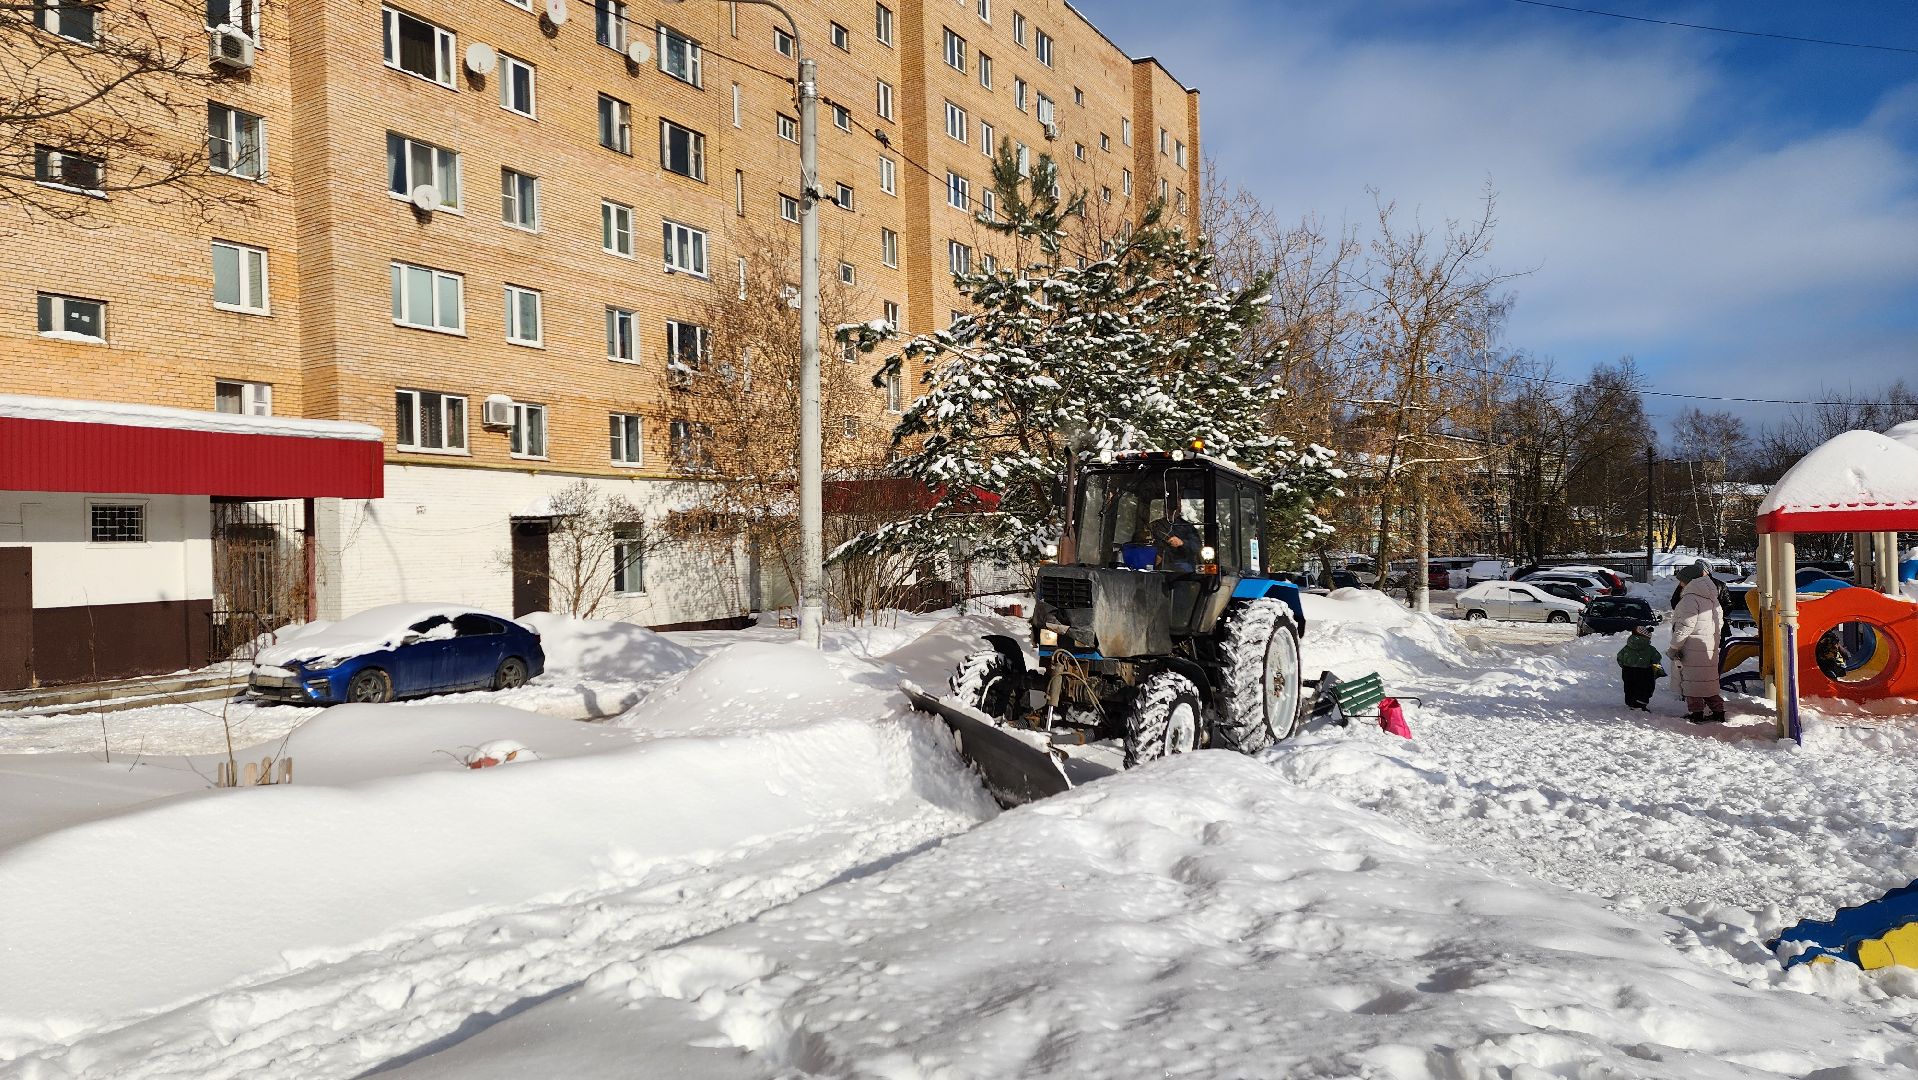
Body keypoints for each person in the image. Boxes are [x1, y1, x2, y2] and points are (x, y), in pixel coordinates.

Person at [1668, 560, 1727, 724]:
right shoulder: (1712, 598)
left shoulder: (1689, 599)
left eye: (1681, 580)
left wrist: (1674, 646)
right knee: (1709, 682)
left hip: (1692, 648)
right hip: (1709, 646)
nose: (1679, 584)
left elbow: (1685, 626)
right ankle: (1718, 711)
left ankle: (1696, 713)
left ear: (1689, 580)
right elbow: (1719, 622)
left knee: (1692, 682)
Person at [1616, 624, 1665, 710]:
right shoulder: (1651, 649)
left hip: (1628, 670)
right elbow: (1656, 660)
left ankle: (1630, 701)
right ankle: (1640, 703)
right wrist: (1658, 671)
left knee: (1630, 686)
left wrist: (1625, 666)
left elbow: (1620, 658)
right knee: (1645, 687)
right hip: (1645, 671)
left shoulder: (1626, 648)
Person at [1148, 503, 1201, 572]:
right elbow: (1142, 541)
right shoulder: (1155, 526)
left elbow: (1197, 547)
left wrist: (1182, 543)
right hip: (1155, 564)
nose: (1171, 511)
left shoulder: (1187, 527)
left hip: (1181, 564)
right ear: (1164, 509)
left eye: (1174, 509)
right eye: (1168, 508)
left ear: (1179, 509)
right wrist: (1155, 555)